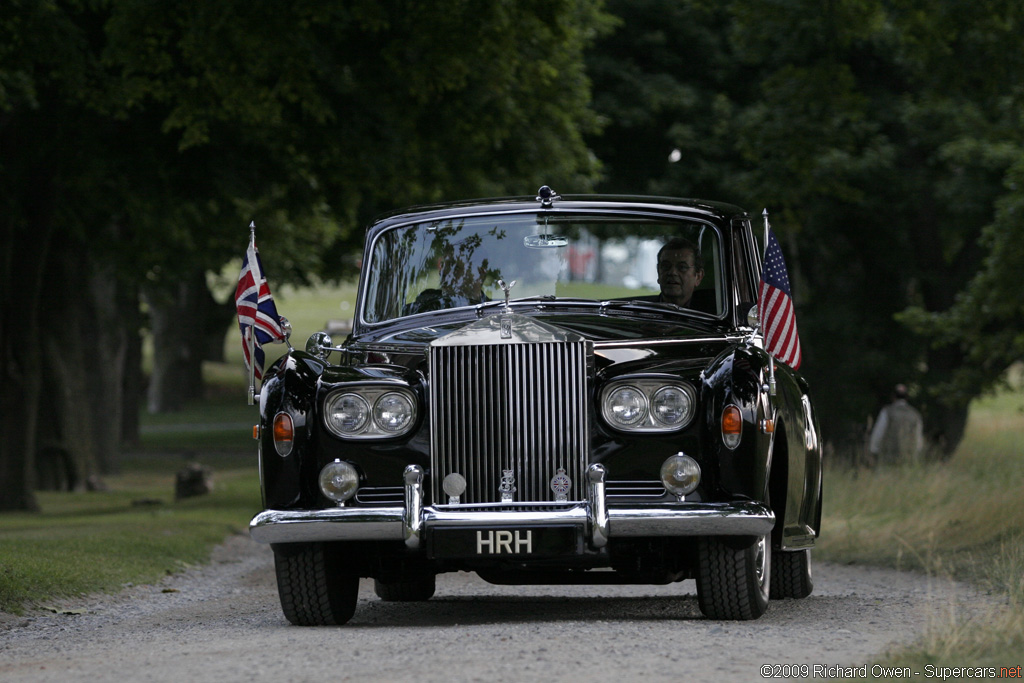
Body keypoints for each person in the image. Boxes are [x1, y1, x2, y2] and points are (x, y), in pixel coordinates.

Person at [868, 384, 924, 465]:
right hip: (909, 455)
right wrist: (917, 452)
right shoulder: (915, 414)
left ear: (893, 396)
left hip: (889, 454)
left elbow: (878, 432)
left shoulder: (887, 411)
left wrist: (873, 449)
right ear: (907, 397)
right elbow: (918, 436)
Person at [655, 237, 705, 307]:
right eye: (665, 266)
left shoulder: (713, 313)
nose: (672, 272)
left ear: (698, 277)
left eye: (682, 267)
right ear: (658, 272)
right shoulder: (643, 311)